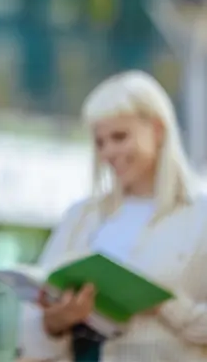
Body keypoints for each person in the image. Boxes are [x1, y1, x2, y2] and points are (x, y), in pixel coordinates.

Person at [17, 70, 207, 361]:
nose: (109, 152)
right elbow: (30, 332)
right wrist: (54, 322)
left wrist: (165, 305)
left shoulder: (199, 217)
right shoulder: (80, 218)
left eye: (120, 137)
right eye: (100, 142)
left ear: (157, 130)